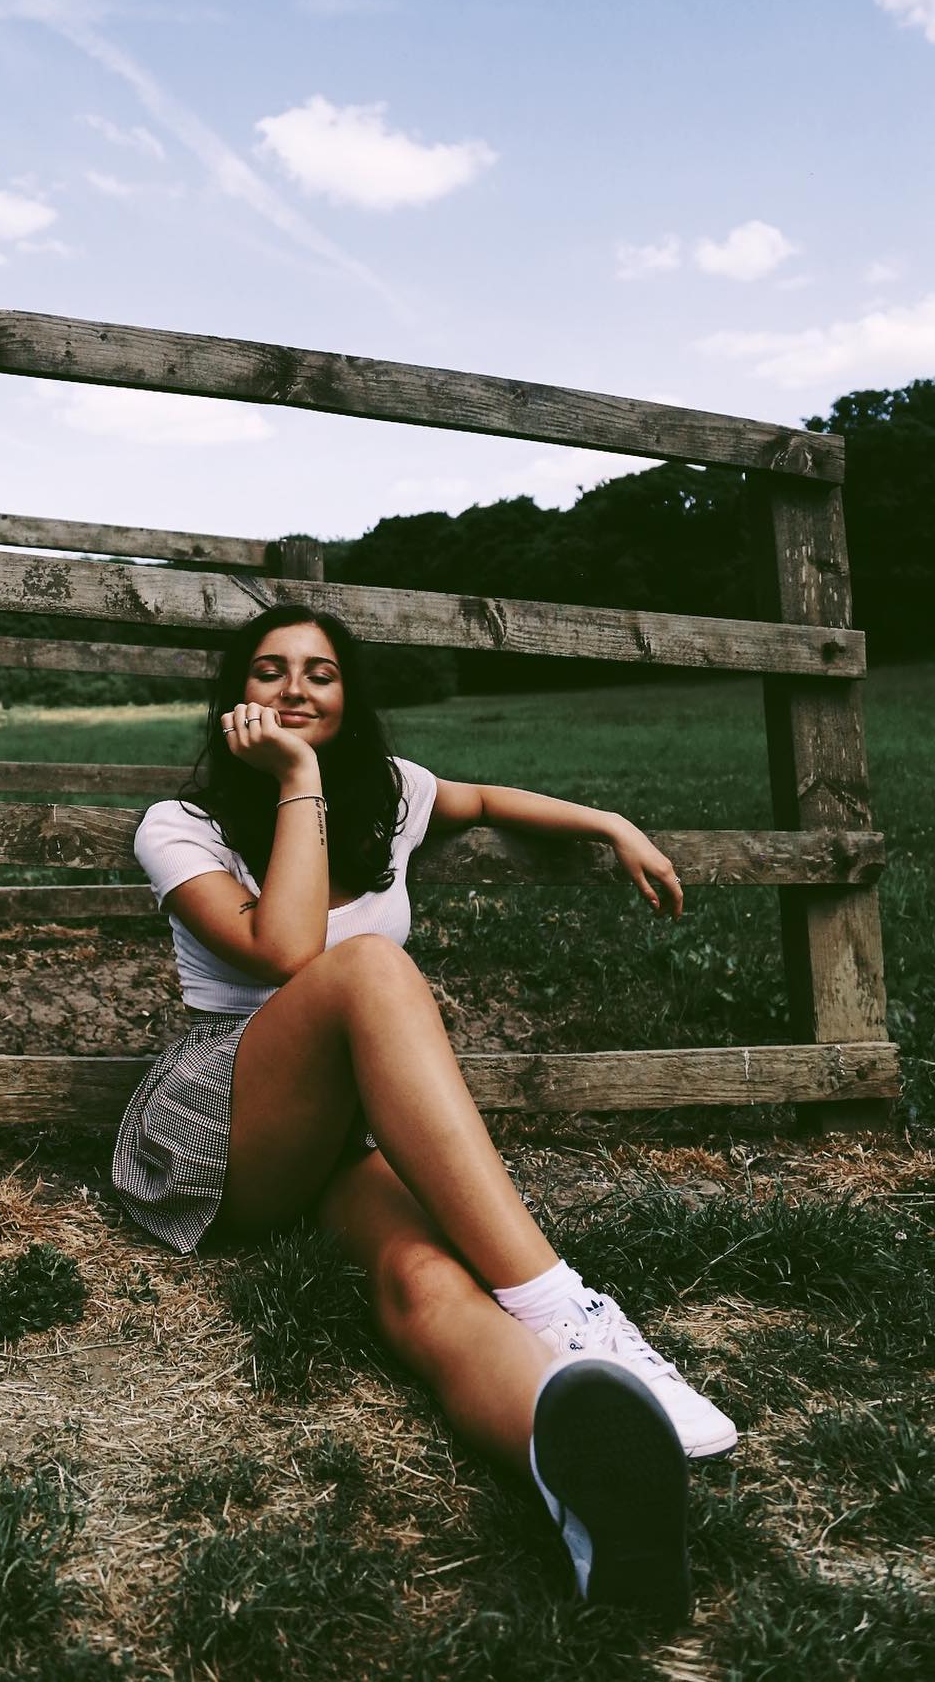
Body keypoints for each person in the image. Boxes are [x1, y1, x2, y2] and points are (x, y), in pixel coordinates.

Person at [110, 604, 736, 1622]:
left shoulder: (392, 796)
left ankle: (572, 1462)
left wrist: (607, 820)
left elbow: (483, 795)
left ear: (350, 694)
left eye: (320, 671)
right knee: (370, 966)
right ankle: (564, 1307)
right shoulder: (180, 825)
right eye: (269, 670)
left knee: (424, 1276)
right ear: (235, 699)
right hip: (224, 1129)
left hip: (348, 1134)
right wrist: (298, 783)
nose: (295, 688)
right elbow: (285, 950)